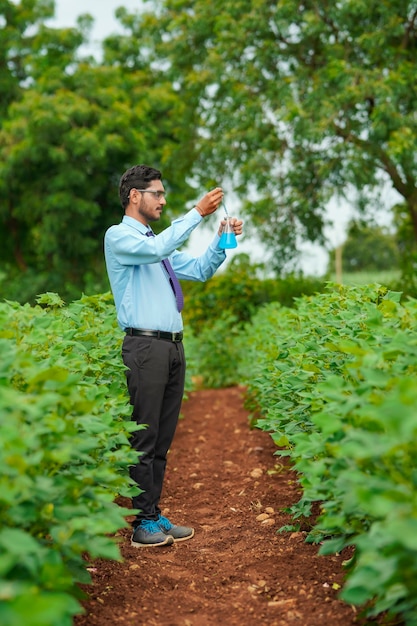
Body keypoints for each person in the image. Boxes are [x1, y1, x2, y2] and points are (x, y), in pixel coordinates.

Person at [104, 164, 243, 548]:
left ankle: (153, 514)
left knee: (161, 441)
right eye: (158, 194)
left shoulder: (156, 243)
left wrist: (219, 241)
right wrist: (197, 212)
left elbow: (198, 271)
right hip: (145, 346)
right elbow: (158, 248)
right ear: (135, 196)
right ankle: (141, 524)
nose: (163, 200)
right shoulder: (121, 238)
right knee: (144, 437)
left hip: (171, 347)